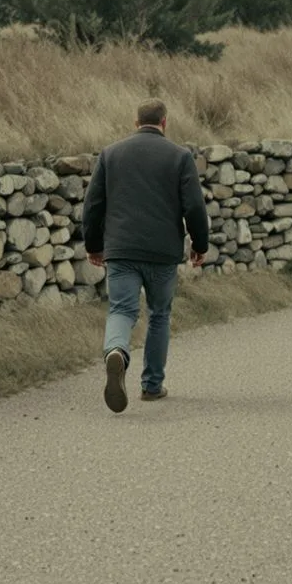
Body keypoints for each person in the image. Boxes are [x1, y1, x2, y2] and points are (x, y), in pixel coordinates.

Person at [82, 98, 210, 413]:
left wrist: (94, 245)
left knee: (122, 310)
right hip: (163, 252)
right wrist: (199, 244)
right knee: (159, 315)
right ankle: (152, 386)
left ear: (136, 123)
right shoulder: (180, 156)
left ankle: (116, 352)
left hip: (122, 249)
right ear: (164, 123)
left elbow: (93, 205)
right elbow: (194, 206)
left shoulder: (111, 154)